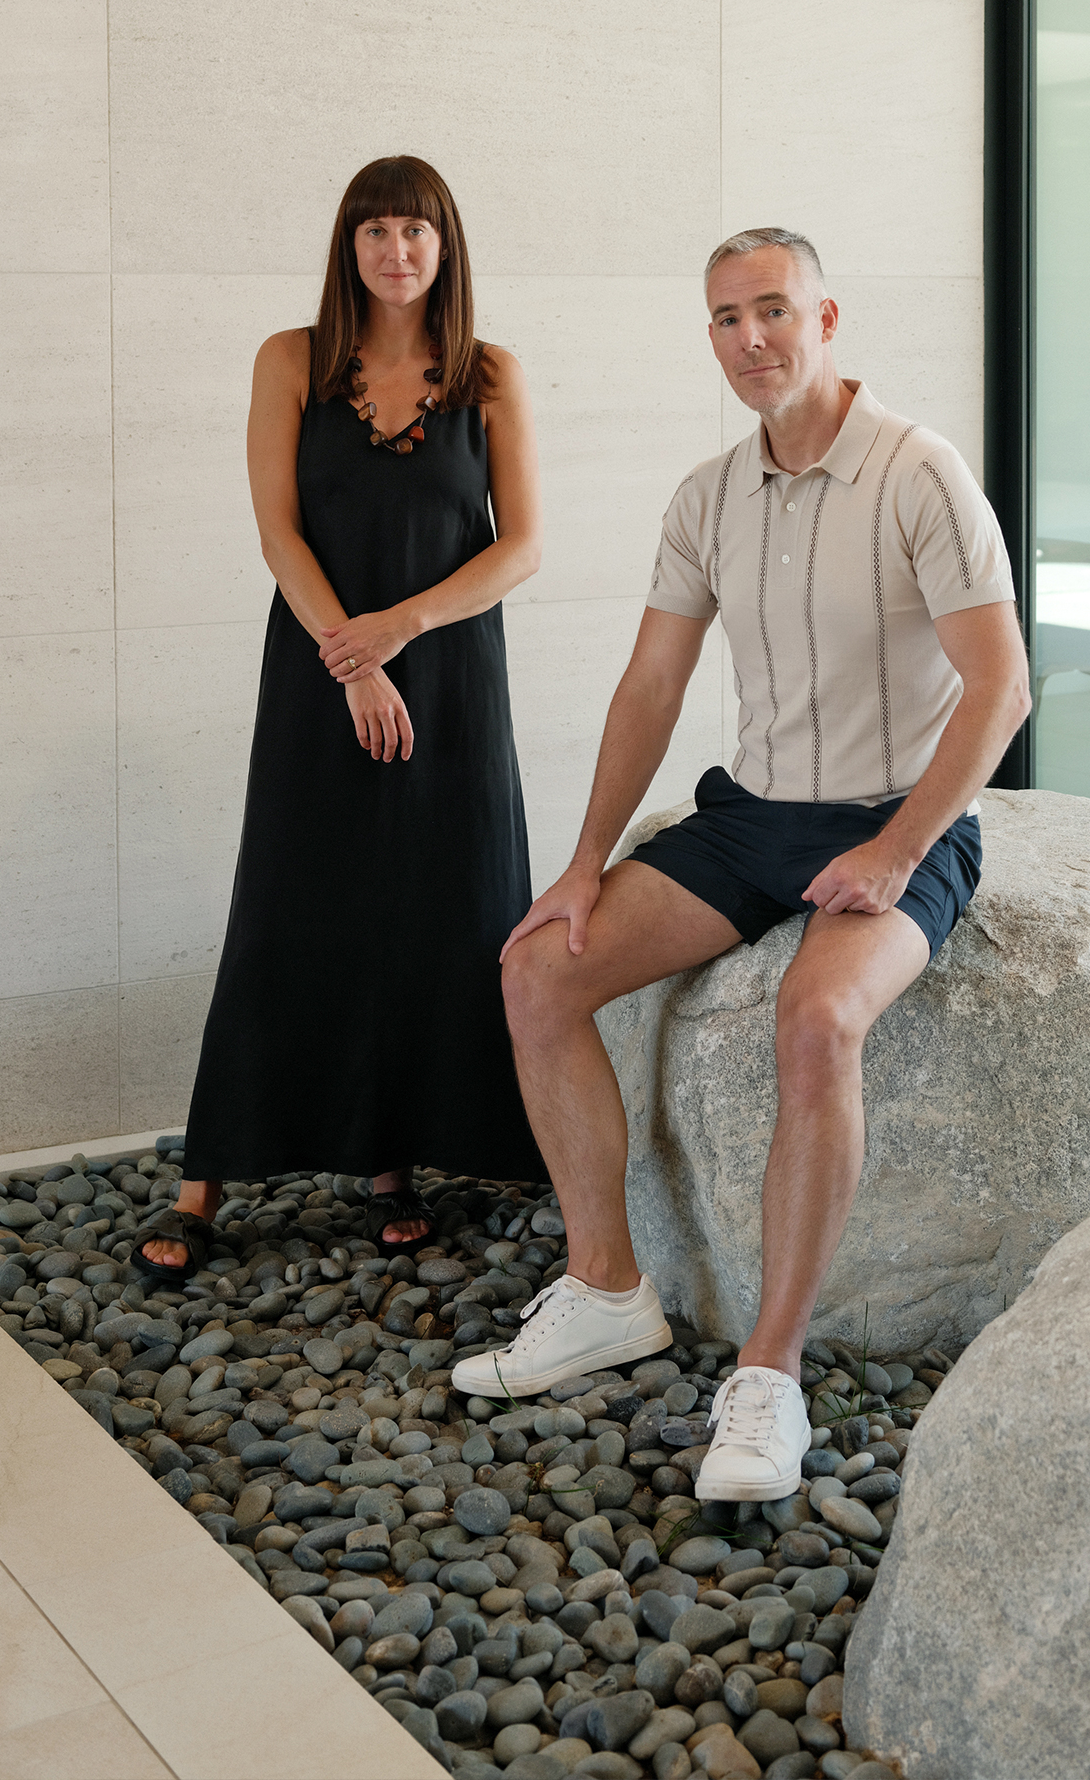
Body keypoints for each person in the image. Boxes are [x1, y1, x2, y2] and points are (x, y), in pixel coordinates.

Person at [461, 227, 1029, 1502]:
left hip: (898, 818)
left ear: (826, 321)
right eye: (724, 319)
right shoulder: (709, 494)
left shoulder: (918, 474)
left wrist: (894, 851)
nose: (749, 339)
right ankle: (608, 1288)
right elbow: (652, 682)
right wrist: (582, 865)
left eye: (772, 310)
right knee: (537, 975)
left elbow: (998, 690)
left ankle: (767, 1377)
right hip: (751, 818)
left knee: (816, 1019)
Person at [137, 155, 545, 1279]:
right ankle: (204, 1178)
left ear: (444, 246)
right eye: (374, 231)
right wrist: (350, 661)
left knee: (439, 906)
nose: (394, 252)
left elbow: (521, 547)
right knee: (290, 901)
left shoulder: (489, 375)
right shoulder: (293, 361)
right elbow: (279, 533)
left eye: (414, 232)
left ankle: (393, 1163)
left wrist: (400, 633)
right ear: (347, 246)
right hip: (322, 674)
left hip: (451, 681)